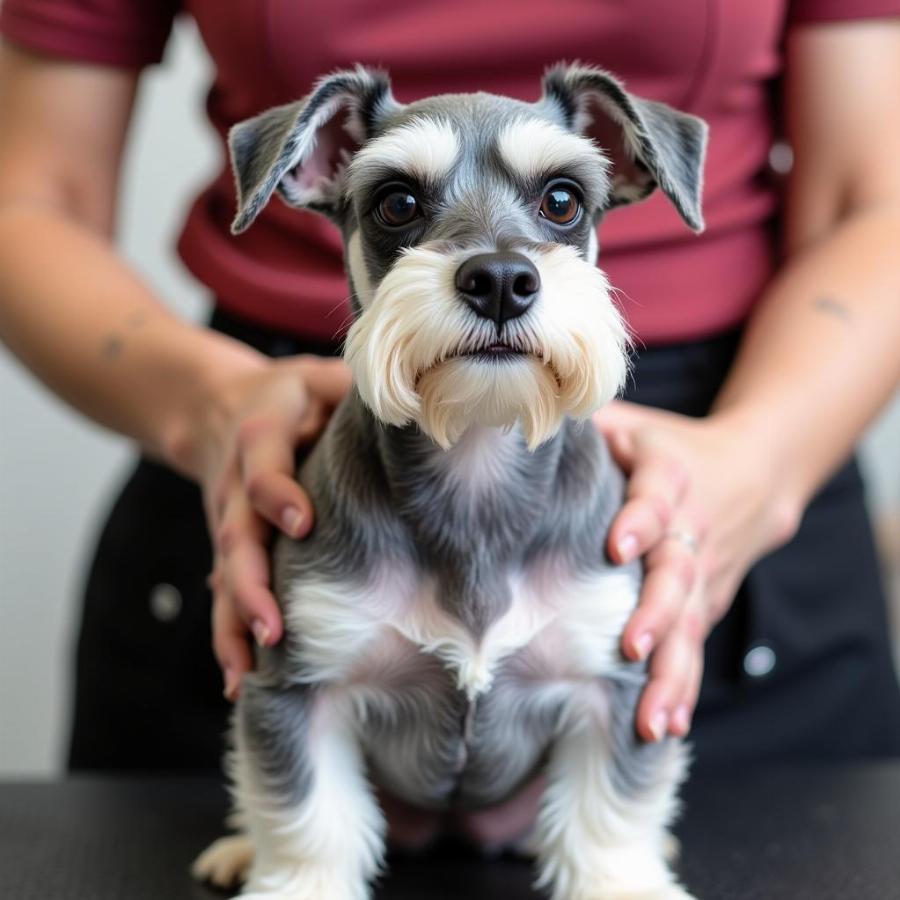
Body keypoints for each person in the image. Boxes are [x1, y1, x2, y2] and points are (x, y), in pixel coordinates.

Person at [1, 0, 899, 803]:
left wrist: (759, 455)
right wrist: (211, 401)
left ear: (624, 171)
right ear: (319, 170)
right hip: (265, 443)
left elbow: (875, 197)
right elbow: (34, 197)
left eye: (557, 199)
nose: (498, 265)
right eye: (398, 206)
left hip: (729, 447)